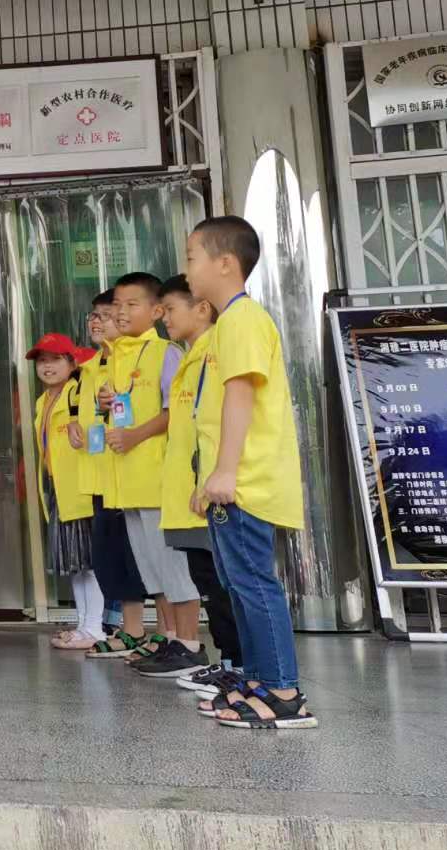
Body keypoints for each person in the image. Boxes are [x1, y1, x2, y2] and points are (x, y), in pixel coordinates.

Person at [186, 217, 317, 729]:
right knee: (238, 584)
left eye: (192, 257)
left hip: (245, 480)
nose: (187, 269)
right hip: (233, 479)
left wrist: (224, 472)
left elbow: (239, 395)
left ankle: (283, 692)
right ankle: (259, 680)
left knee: (254, 584)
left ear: (225, 263)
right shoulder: (231, 323)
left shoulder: (241, 319)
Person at [138, 275, 244, 689]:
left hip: (211, 493)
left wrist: (212, 478)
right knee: (208, 583)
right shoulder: (190, 357)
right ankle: (229, 662)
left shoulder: (215, 354)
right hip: (189, 494)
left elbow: (218, 426)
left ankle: (241, 668)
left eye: (170, 309)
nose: (163, 317)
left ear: (201, 309)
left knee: (223, 585)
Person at [100, 272, 203, 671]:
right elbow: (125, 409)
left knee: (171, 565)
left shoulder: (165, 352)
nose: (121, 312)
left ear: (156, 310)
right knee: (151, 568)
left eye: (132, 304)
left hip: (157, 477)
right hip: (128, 481)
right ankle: (169, 637)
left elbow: (174, 410)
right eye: (117, 305)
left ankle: (189, 644)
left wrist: (134, 435)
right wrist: (109, 403)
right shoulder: (117, 355)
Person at [74, 290, 151, 658]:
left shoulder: (132, 364)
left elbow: (134, 414)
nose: (97, 321)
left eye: (105, 315)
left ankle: (150, 631)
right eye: (93, 315)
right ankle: (129, 630)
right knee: (109, 557)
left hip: (128, 475)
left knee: (135, 555)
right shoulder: (89, 367)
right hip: (100, 475)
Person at [29, 334, 105, 651]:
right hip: (59, 488)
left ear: (72, 363)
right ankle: (83, 624)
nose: (47, 367)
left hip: (81, 488)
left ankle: (95, 627)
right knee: (74, 563)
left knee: (89, 562)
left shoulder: (80, 392)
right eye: (42, 361)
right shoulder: (43, 401)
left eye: (55, 359)